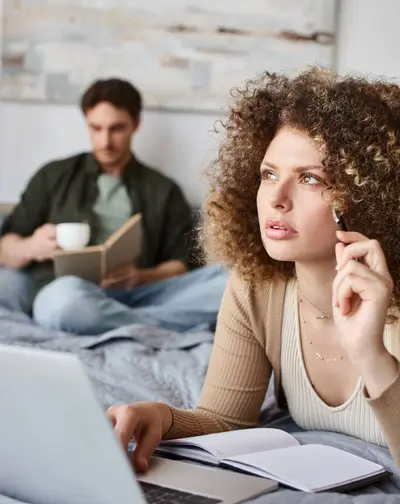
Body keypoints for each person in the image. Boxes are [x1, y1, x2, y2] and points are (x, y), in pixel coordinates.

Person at [107, 68, 400, 471]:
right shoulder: (255, 287)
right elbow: (226, 420)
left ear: (366, 196)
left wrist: (371, 354)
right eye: (268, 174)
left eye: (311, 179)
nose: (277, 198)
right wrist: (162, 416)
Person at [0, 78, 228, 334]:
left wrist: (142, 277)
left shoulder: (163, 189)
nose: (105, 141)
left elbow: (183, 264)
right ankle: (150, 324)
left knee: (230, 283)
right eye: (95, 128)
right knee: (64, 304)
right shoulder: (53, 176)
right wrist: (31, 246)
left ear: (136, 124)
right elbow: (5, 248)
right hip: (70, 291)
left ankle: (115, 320)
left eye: (116, 128)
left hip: (141, 293)